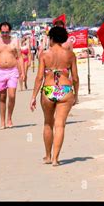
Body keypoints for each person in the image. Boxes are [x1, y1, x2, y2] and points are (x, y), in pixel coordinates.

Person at [30, 26, 79, 167]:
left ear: (51, 38)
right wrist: (76, 94)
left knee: (47, 123)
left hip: (48, 89)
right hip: (65, 89)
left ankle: (47, 155)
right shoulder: (70, 55)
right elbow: (75, 77)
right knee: (60, 125)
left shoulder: (45, 54)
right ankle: (56, 159)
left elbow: (39, 77)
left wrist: (33, 96)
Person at [0, 22, 25, 129]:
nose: (4, 34)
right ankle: (2, 121)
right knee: (2, 97)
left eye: (6, 32)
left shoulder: (14, 42)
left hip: (13, 71)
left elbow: (20, 57)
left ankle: (9, 118)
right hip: (0, 71)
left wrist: (23, 72)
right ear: (0, 31)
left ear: (10, 31)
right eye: (3, 32)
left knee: (12, 96)